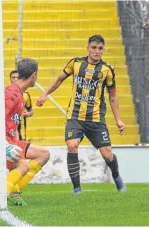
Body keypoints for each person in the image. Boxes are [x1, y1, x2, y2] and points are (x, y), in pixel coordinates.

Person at [36, 35, 126, 194]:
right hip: (75, 117)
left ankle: (118, 178)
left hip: (96, 119)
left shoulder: (107, 70)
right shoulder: (75, 63)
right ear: (88, 48)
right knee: (72, 145)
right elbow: (58, 80)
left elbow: (113, 96)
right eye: (94, 48)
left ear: (103, 50)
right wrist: (44, 94)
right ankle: (77, 189)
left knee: (107, 155)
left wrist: (118, 120)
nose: (97, 51)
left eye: (100, 48)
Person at [0, 58, 50, 206]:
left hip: (9, 140)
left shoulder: (19, 93)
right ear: (34, 75)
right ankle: (3, 192)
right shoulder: (12, 94)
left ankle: (14, 190)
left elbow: (11, 123)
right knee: (23, 166)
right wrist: (3, 145)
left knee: (43, 154)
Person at [10, 70, 34, 141]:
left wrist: (28, 114)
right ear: (10, 79)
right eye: (13, 77)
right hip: (9, 127)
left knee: (21, 148)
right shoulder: (5, 92)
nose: (15, 79)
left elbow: (31, 111)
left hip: (21, 128)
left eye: (17, 77)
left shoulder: (25, 94)